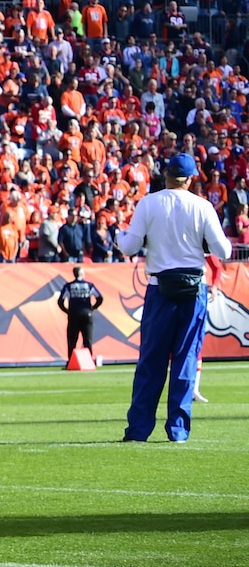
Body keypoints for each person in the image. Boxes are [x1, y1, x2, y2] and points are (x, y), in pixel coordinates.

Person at [117, 153, 227, 443]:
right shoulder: (203, 206)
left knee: (151, 361)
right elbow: (224, 251)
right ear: (191, 179)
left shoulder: (149, 203)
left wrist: (118, 235)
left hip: (159, 289)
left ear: (165, 176)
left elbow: (129, 247)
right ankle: (178, 430)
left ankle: (138, 431)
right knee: (186, 359)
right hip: (193, 290)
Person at [57, 264, 103, 364]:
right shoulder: (89, 285)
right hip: (87, 314)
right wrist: (93, 308)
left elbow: (60, 301)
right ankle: (89, 361)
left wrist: (67, 311)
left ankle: (71, 361)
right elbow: (100, 298)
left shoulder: (68, 286)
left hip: (74, 314)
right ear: (82, 273)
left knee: (72, 339)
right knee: (88, 339)